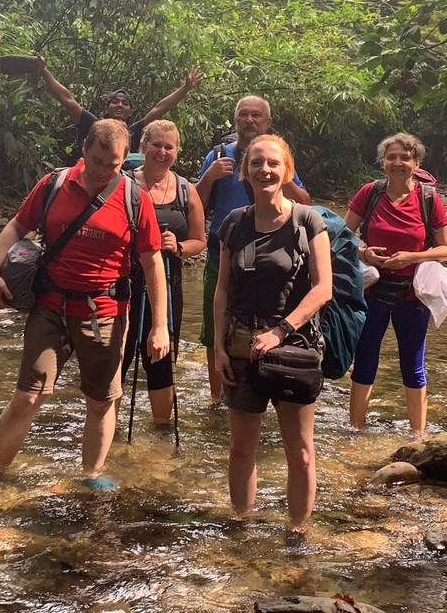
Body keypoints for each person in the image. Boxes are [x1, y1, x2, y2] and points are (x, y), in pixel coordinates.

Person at [0, 119, 169, 488]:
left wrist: (160, 325)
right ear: (84, 150)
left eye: (113, 164)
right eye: (98, 160)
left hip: (105, 312)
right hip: (50, 307)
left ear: (124, 160)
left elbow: (152, 262)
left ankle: (92, 475)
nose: (104, 171)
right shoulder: (54, 184)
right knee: (27, 395)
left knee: (101, 401)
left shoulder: (135, 198)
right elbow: (16, 227)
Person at [212, 135, 331, 532]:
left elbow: (323, 288)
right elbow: (222, 289)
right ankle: (241, 524)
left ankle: (297, 534)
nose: (265, 170)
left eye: (273, 164)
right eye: (256, 163)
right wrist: (218, 347)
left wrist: (281, 331)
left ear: (287, 171)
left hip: (294, 347)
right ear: (245, 171)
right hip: (242, 347)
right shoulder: (234, 223)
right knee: (240, 448)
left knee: (299, 452)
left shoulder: (308, 220)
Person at [196, 96, 309, 405]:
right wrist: (210, 175)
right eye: (243, 115)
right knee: (215, 329)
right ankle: (218, 397)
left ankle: (268, 384)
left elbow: (303, 200)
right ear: (235, 121)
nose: (248, 120)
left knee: (266, 324)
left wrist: (275, 173)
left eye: (255, 115)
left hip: (271, 260)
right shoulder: (217, 156)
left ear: (267, 122)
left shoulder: (276, 159)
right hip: (223, 257)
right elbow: (195, 204)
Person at [344, 133, 447, 438]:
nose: (398, 163)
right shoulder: (370, 193)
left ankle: (417, 435)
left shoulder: (428, 199)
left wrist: (413, 256)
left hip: (412, 295)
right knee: (365, 359)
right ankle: (355, 430)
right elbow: (342, 236)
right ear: (383, 163)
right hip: (372, 291)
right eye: (391, 157)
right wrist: (365, 253)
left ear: (416, 163)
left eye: (405, 158)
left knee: (413, 363)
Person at [120, 120, 207, 425]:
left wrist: (179, 246)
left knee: (161, 359)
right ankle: (108, 433)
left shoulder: (187, 191)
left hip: (169, 287)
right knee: (118, 358)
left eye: (169, 146)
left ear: (177, 151)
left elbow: (200, 241)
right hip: (123, 286)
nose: (162, 151)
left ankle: (161, 432)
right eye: (156, 144)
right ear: (143, 147)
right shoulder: (124, 183)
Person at [37, 55, 203, 159]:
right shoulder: (94, 126)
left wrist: (185, 88)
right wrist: (44, 71)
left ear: (131, 112)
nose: (120, 105)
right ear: (106, 108)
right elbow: (68, 101)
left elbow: (160, 109)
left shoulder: (133, 132)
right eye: (115, 102)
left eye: (125, 103)